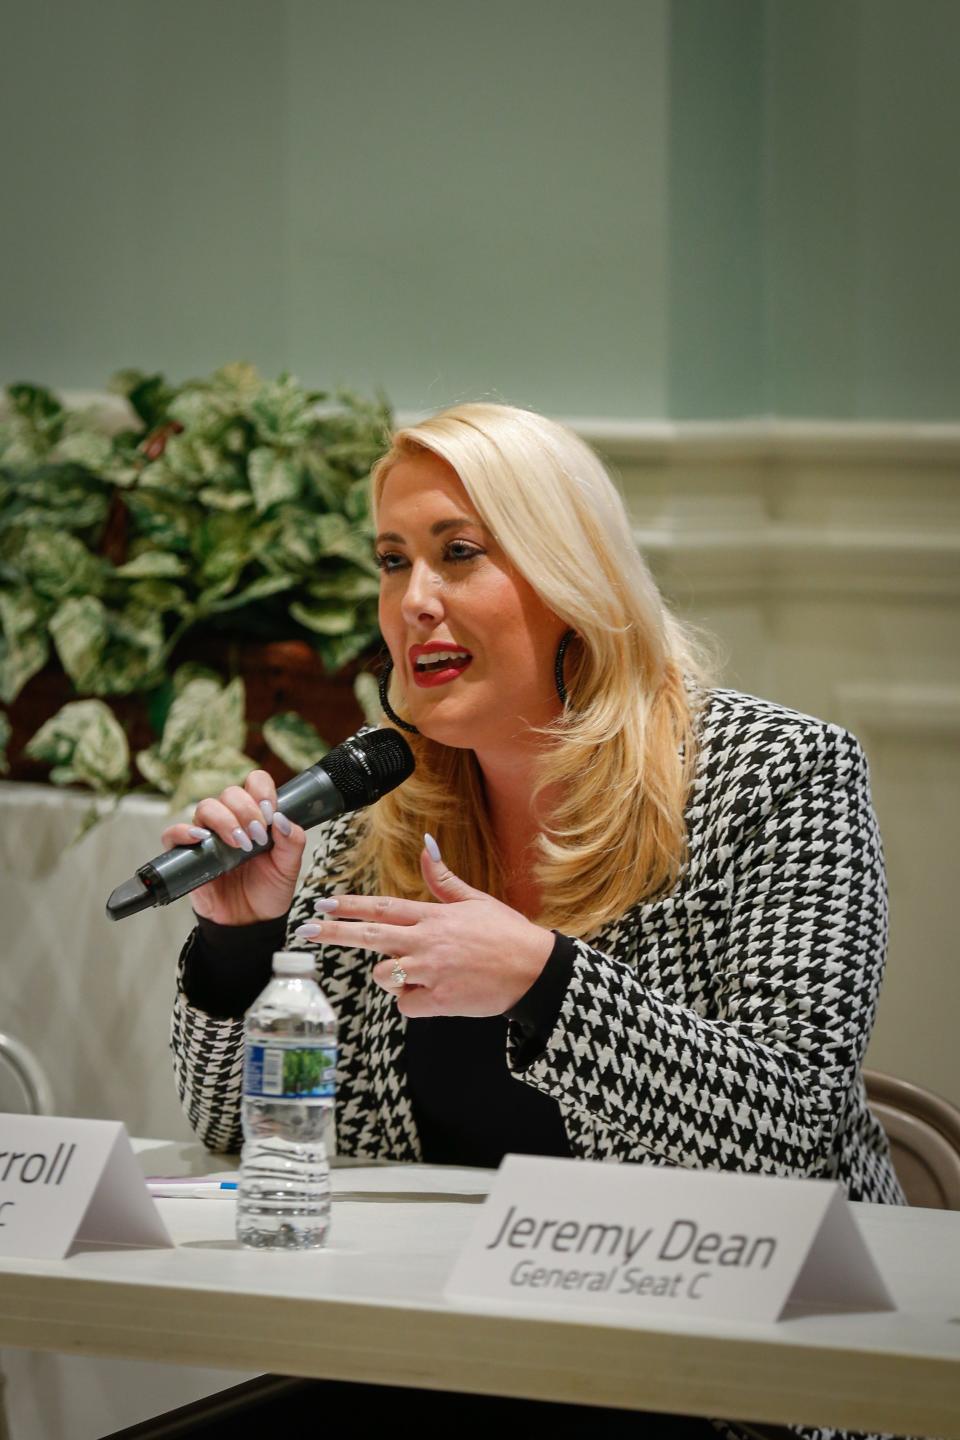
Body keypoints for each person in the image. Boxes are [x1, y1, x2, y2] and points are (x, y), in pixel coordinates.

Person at [167, 402, 905, 1440]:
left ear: (570, 581)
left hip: (726, 1375)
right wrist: (244, 945)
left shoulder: (776, 778)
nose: (414, 600)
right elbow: (234, 1138)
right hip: (452, 1358)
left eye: (458, 554)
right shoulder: (375, 815)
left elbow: (788, 1129)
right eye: (392, 561)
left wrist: (546, 984)